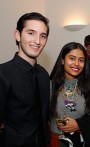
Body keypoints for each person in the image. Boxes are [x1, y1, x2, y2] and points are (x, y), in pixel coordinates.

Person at [0, 12, 50, 147]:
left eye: (43, 36)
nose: (37, 41)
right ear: (17, 35)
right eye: (31, 33)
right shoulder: (3, 74)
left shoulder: (44, 75)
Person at [49, 42, 90, 147]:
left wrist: (79, 125)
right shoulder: (49, 86)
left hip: (80, 141)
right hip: (56, 142)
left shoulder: (88, 88)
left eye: (81, 60)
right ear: (62, 60)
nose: (77, 63)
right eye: (72, 58)